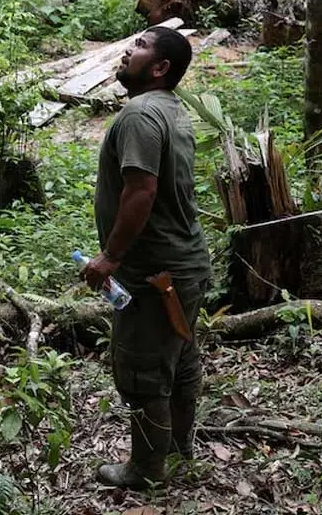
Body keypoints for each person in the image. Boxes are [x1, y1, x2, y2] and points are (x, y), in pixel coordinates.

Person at [79, 25, 211, 488]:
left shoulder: (139, 113)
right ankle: (177, 448)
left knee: (141, 368)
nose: (125, 52)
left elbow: (141, 191)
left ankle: (146, 469)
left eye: (138, 47)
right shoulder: (171, 110)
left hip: (155, 273)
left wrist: (110, 257)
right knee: (178, 357)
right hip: (184, 265)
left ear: (159, 68)